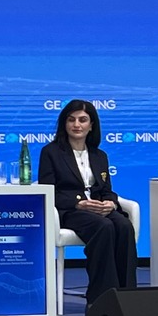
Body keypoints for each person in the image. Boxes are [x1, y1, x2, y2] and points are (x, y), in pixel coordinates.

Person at [37, 99, 136, 297]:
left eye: (82, 120)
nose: (76, 125)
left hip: (98, 209)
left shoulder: (99, 155)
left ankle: (127, 295)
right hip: (71, 211)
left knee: (124, 226)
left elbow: (107, 189)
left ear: (91, 125)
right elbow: (48, 191)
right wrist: (78, 204)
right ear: (64, 124)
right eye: (71, 120)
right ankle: (101, 297)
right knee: (104, 226)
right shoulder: (51, 152)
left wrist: (110, 203)